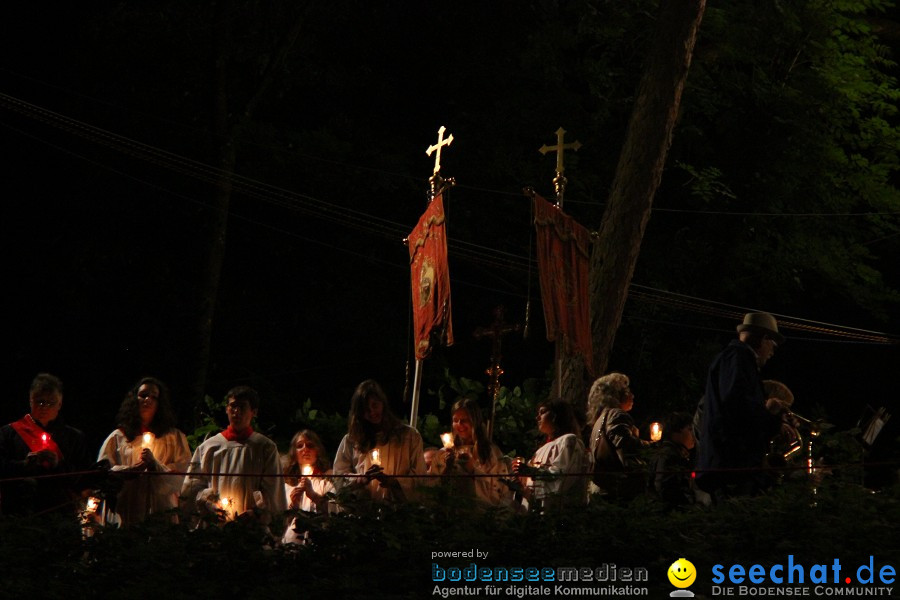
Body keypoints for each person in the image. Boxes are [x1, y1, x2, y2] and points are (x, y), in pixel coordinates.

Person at [695, 312, 789, 501]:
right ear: (764, 339)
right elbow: (738, 409)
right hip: (732, 468)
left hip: (728, 467)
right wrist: (771, 415)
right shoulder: (738, 358)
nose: (772, 352)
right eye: (773, 344)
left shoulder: (733, 359)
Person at [181, 386, 285, 524]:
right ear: (226, 409)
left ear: (253, 412)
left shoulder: (265, 447)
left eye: (242, 407)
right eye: (232, 406)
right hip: (215, 523)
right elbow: (193, 488)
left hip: (250, 526)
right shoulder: (209, 447)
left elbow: (274, 491)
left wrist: (257, 513)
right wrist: (208, 504)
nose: (236, 411)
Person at [97, 377, 191, 526]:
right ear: (134, 399)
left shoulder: (173, 437)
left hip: (160, 505)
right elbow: (104, 470)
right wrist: (129, 470)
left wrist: (155, 466)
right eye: (143, 395)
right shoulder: (119, 436)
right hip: (128, 504)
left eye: (154, 397)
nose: (148, 399)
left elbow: (182, 472)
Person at [0, 373, 92, 516]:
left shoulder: (74, 438)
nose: (44, 407)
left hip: (61, 515)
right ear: (30, 400)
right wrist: (24, 465)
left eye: (51, 403)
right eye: (40, 402)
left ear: (60, 404)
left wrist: (58, 465)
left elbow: (84, 477)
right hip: (19, 515)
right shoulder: (9, 433)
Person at [332, 379, 426, 503]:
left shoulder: (409, 436)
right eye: (366, 409)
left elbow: (420, 477)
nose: (372, 412)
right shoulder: (352, 440)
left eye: (375, 405)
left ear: (383, 403)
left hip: (400, 512)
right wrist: (361, 479)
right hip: (364, 511)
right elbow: (338, 477)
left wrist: (394, 482)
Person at [431, 397, 512, 507]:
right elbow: (432, 487)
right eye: (455, 420)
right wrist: (447, 468)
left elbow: (498, 489)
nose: (459, 424)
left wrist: (472, 470)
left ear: (475, 421)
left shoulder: (489, 452)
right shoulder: (443, 454)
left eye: (464, 420)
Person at [511, 399, 590, 512]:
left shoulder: (569, 441)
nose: (537, 418)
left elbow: (563, 476)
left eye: (542, 412)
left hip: (558, 510)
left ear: (556, 415)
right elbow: (531, 484)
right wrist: (520, 485)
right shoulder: (540, 451)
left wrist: (532, 472)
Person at [586, 372, 650, 501]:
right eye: (627, 391)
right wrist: (653, 446)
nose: (632, 395)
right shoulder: (616, 414)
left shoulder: (599, 421)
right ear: (615, 395)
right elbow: (627, 445)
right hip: (617, 489)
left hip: (602, 486)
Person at [282, 429, 334, 545]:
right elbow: (280, 522)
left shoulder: (326, 482)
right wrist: (293, 505)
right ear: (294, 453)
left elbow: (334, 512)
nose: (305, 449)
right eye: (300, 446)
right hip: (292, 543)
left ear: (317, 451)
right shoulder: (286, 486)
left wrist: (314, 496)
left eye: (310, 445)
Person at [650, 412, 696, 510]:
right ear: (676, 432)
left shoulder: (675, 453)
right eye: (690, 430)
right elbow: (664, 489)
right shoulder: (668, 455)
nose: (693, 435)